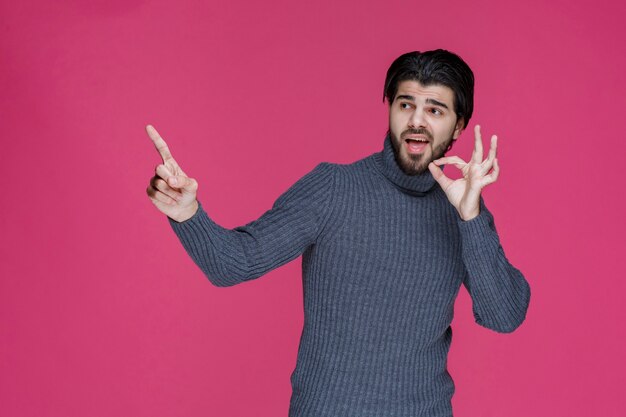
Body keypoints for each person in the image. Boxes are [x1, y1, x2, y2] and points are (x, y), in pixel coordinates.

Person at [145, 49, 531, 417]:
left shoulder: (464, 213)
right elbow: (234, 263)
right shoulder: (334, 188)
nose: (417, 121)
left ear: (458, 125)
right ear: (391, 110)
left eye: (435, 110)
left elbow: (504, 315)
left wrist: (471, 216)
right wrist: (187, 213)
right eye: (405, 104)